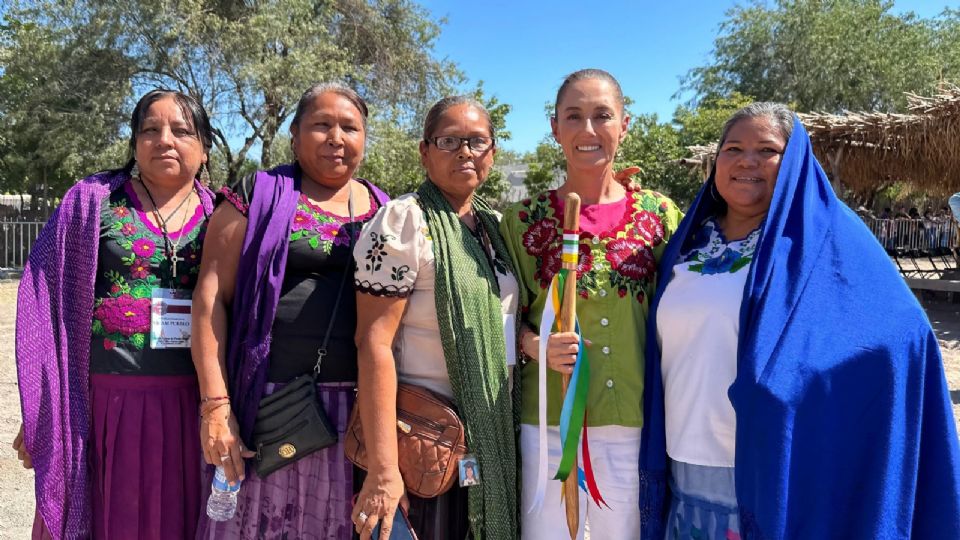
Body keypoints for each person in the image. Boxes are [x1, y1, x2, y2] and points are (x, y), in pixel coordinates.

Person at [640, 102, 960, 539]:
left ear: (793, 162)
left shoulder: (828, 238)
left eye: (767, 150)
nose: (747, 161)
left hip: (773, 464)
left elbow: (904, 334)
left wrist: (790, 383)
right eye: (733, 148)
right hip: (683, 454)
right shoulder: (688, 243)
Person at [14, 89, 216, 539]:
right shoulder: (91, 202)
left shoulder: (219, 214)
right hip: (107, 405)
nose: (165, 140)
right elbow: (42, 303)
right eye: (150, 129)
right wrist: (41, 409)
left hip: (190, 406)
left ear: (203, 149)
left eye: (182, 131)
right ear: (134, 143)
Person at [191, 82, 389, 539]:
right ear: (295, 136)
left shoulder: (383, 208)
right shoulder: (255, 194)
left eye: (349, 127)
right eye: (321, 125)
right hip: (266, 404)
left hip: (355, 414)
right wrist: (216, 406)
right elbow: (210, 299)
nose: (336, 137)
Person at [499, 69, 684, 539]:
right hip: (546, 425)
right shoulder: (521, 221)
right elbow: (501, 315)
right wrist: (535, 345)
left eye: (602, 115)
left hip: (633, 423)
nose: (588, 130)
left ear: (624, 124)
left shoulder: (659, 215)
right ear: (554, 127)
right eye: (573, 116)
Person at [351, 96, 520, 540]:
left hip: (487, 435)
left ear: (492, 153)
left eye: (476, 142)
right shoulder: (403, 223)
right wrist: (385, 470)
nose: (465, 151)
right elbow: (373, 343)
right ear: (424, 152)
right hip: (421, 446)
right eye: (449, 141)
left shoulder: (494, 228)